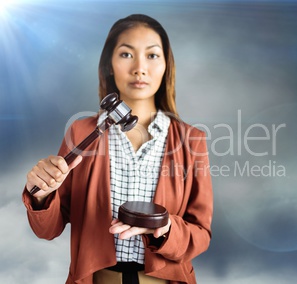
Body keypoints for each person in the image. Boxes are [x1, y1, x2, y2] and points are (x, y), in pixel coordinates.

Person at [22, 14, 213, 284]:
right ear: (109, 65)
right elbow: (48, 229)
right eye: (126, 54)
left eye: (152, 55)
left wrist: (166, 228)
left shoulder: (191, 140)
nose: (139, 68)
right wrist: (41, 197)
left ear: (166, 66)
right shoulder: (81, 133)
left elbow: (201, 234)